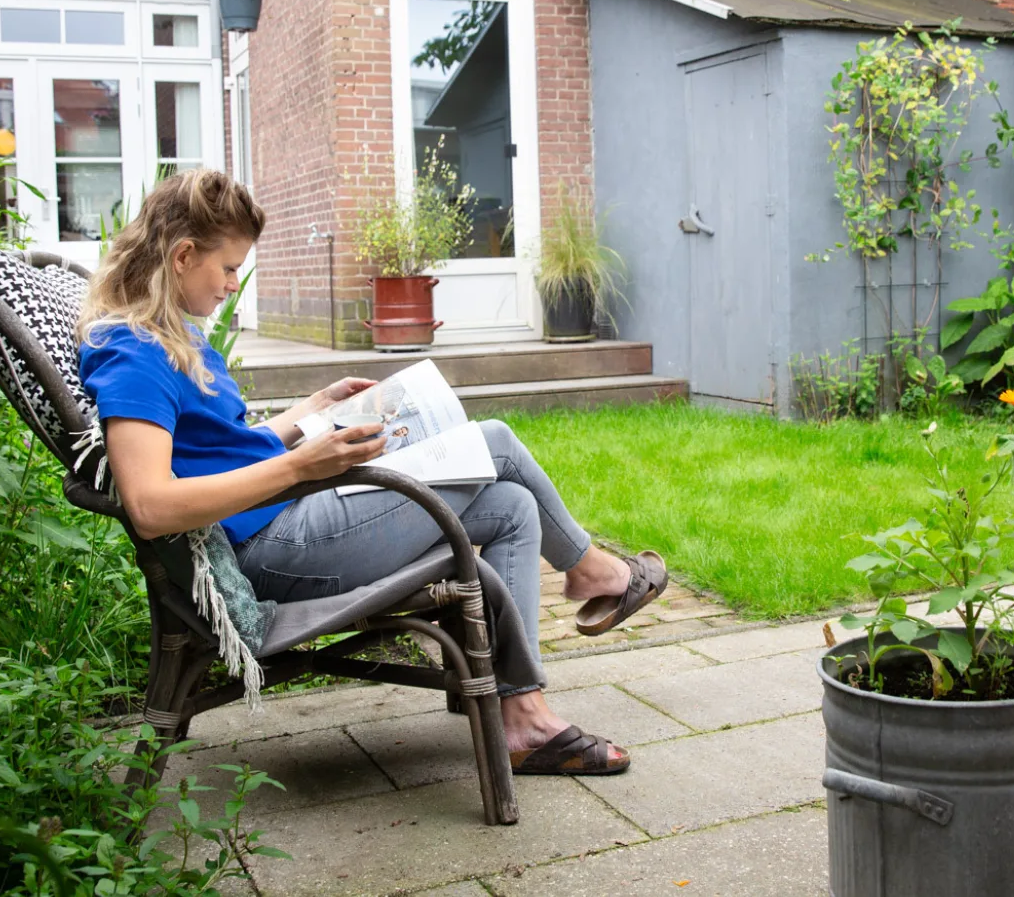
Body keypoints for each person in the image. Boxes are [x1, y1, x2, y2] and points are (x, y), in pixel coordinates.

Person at [75, 170, 666, 776]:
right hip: (271, 547)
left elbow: (221, 450)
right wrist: (300, 465)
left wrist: (312, 411)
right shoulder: (134, 356)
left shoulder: (171, 339)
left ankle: (522, 714)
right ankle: (596, 573)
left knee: (513, 505)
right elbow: (150, 506)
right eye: (227, 269)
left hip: (285, 520)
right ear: (181, 256)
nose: (233, 285)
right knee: (497, 443)